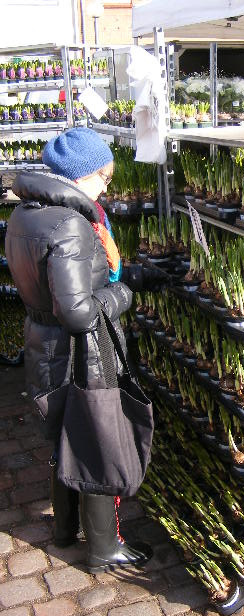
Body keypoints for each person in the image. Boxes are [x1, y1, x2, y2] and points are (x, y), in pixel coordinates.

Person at [5, 127, 152, 573]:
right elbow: (78, 313)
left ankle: (65, 530)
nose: (107, 185)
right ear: (81, 174)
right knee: (95, 438)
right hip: (78, 351)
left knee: (65, 437)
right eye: (104, 177)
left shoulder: (26, 214)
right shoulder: (70, 224)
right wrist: (123, 294)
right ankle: (105, 548)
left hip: (42, 342)